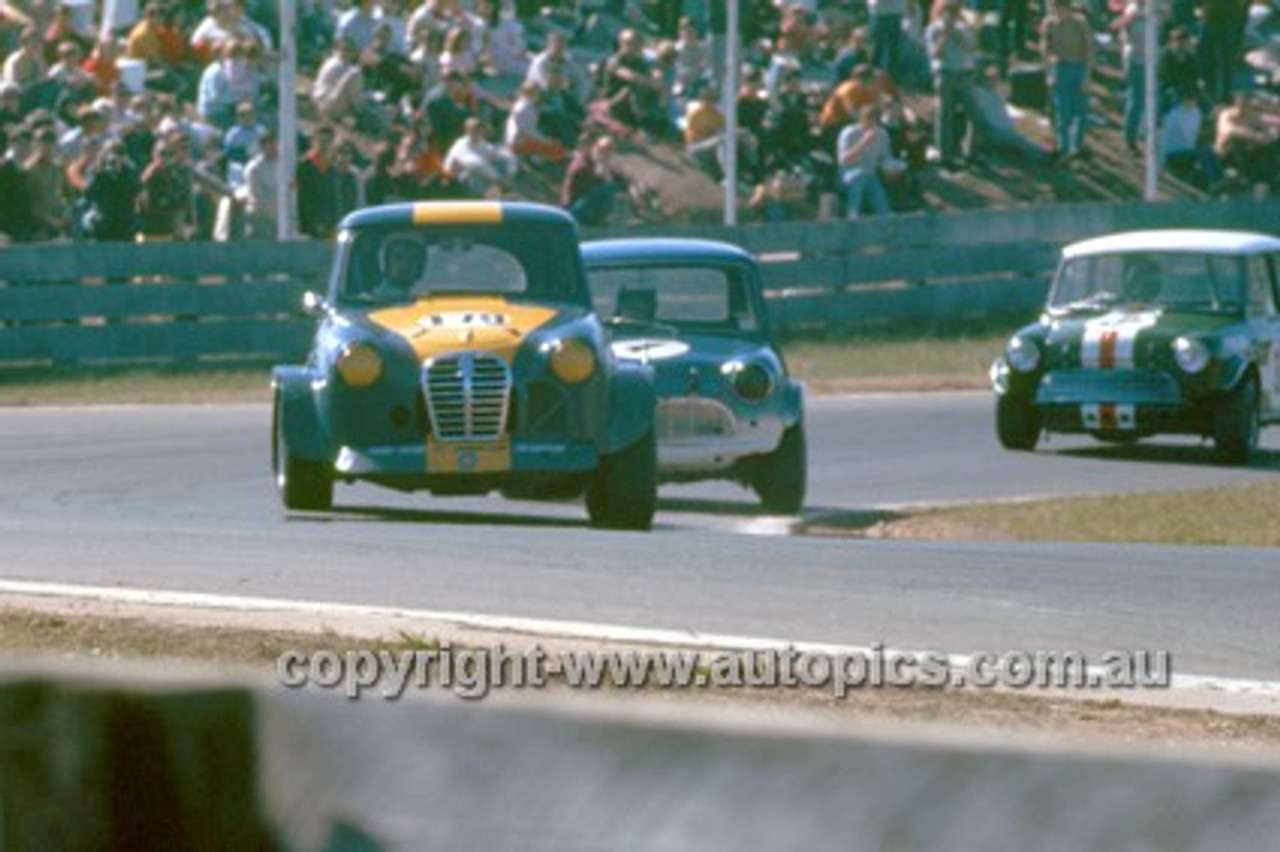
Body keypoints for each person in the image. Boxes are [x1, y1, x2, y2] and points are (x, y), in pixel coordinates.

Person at [925, 1, 976, 168]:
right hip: (945, 72)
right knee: (944, 114)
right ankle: (943, 151)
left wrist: (957, 34)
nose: (952, 16)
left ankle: (969, 151)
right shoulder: (933, 29)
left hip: (964, 72)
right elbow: (935, 54)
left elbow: (970, 47)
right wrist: (945, 35)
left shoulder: (963, 28)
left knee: (973, 113)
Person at [1041, 0, 1094, 160]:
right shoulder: (1049, 23)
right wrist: (1049, 71)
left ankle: (1077, 145)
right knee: (1062, 111)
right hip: (1060, 68)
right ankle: (1063, 147)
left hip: (1078, 67)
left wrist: (1086, 76)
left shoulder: (1080, 23)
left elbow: (1089, 50)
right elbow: (1045, 48)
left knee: (1080, 111)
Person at [838, 104, 893, 220]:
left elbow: (885, 157)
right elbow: (843, 160)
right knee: (860, 176)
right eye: (869, 121)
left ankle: (886, 216)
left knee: (878, 193)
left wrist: (890, 167)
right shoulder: (849, 133)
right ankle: (852, 213)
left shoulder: (882, 134)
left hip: (870, 174)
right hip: (849, 175)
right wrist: (863, 142)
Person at [369, 233, 427, 300]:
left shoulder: (425, 295)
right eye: (398, 257)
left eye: (413, 258)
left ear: (420, 265)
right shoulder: (376, 301)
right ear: (386, 261)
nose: (405, 265)